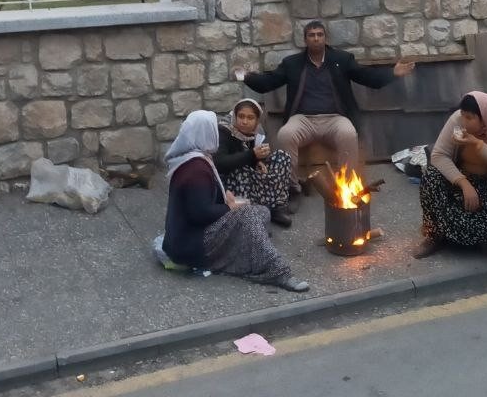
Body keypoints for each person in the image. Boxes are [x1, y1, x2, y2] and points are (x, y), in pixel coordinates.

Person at [238, 20, 416, 194]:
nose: (316, 38)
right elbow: (268, 82)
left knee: (348, 133)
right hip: (303, 119)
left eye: (319, 35)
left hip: (335, 118)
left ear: (325, 38)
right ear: (305, 40)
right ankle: (291, 187)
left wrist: (392, 73)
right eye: (311, 35)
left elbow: (366, 76)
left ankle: (347, 186)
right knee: (286, 134)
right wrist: (245, 76)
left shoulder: (342, 59)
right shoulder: (292, 64)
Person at [162, 111, 309, 292]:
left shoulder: (197, 158)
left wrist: (225, 199)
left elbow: (200, 202)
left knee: (261, 211)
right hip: (191, 245)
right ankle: (278, 271)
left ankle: (255, 243)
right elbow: (199, 214)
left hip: (190, 236)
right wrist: (228, 207)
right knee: (246, 214)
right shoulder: (195, 169)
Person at [415, 91, 487, 281]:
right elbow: (438, 155)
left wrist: (478, 144)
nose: (464, 122)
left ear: (485, 119)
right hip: (464, 178)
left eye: (470, 118)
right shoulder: (457, 121)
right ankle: (435, 235)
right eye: (463, 116)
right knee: (431, 176)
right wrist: (463, 183)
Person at [212, 99, 295, 228]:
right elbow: (220, 163)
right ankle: (250, 217)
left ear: (257, 121)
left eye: (250, 118)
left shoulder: (256, 133)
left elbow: (253, 156)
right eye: (241, 116)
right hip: (232, 184)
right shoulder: (224, 131)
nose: (245, 121)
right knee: (241, 168)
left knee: (282, 157)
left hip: (251, 180)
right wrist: (252, 155)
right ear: (234, 116)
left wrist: (259, 161)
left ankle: (276, 207)